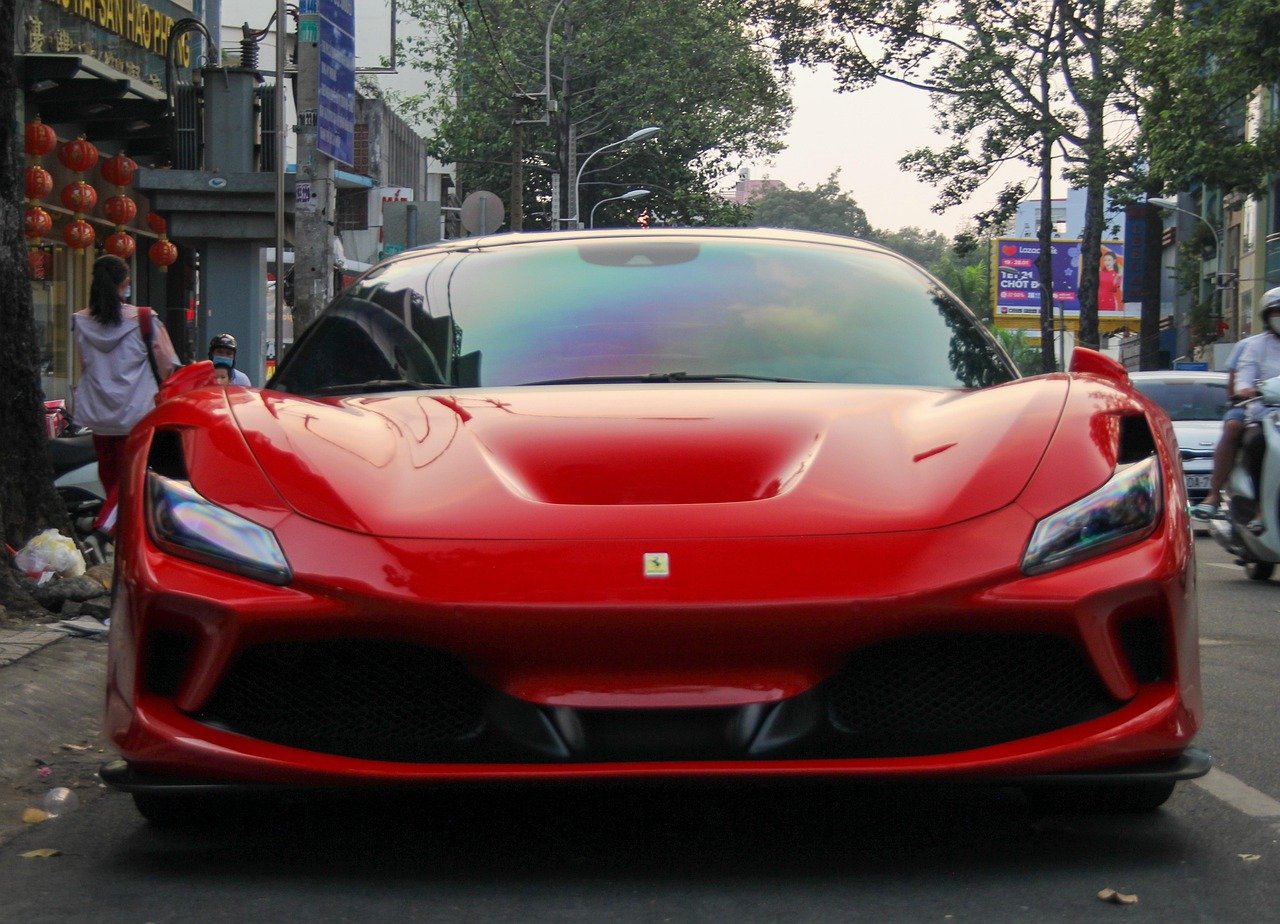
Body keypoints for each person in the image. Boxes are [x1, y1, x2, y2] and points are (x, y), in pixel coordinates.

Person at [73, 255, 180, 535]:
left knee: (109, 476)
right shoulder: (144, 319)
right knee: (130, 476)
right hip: (136, 412)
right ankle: (108, 527)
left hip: (98, 414)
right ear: (124, 284)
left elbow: (84, 363)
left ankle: (121, 534)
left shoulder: (80, 322)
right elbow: (167, 364)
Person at [1194, 287, 1280, 519]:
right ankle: (1222, 495)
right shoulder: (1254, 346)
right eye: (1277, 312)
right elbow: (1242, 376)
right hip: (1262, 413)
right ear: (1266, 316)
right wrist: (1246, 389)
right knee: (1255, 441)